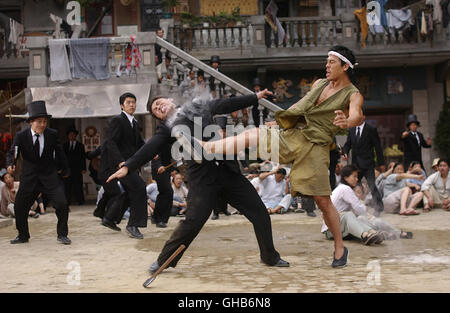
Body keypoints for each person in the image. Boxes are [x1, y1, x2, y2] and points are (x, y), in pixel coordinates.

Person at [193, 45, 365, 267]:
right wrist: (282, 120)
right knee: (255, 133)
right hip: (294, 135)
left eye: (332, 62)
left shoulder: (353, 94)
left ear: (345, 66)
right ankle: (208, 148)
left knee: (323, 201)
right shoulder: (319, 84)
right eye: (326, 61)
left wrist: (347, 122)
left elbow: (357, 115)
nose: (327, 65)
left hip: (316, 147)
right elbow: (300, 106)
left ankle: (340, 247)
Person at [107, 88, 289, 275]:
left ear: (170, 100)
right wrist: (128, 166)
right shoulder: (167, 128)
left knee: (259, 212)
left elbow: (225, 104)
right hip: (203, 180)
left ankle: (269, 256)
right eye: (155, 109)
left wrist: (255, 97)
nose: (159, 106)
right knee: (192, 222)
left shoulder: (197, 106)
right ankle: (164, 261)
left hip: (228, 173)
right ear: (159, 117)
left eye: (160, 102)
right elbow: (149, 148)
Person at [6, 100, 71, 244]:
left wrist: (65, 169)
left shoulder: (52, 134)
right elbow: (12, 153)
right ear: (31, 122)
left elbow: (60, 153)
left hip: (49, 176)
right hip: (30, 178)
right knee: (19, 207)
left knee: (61, 203)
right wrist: (10, 165)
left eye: (44, 121)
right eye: (39, 121)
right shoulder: (21, 136)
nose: (42, 124)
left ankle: (62, 234)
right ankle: (23, 235)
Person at [103, 92, 147, 239]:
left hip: (132, 164)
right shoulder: (117, 120)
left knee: (130, 192)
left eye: (133, 102)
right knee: (140, 187)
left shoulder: (135, 122)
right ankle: (133, 224)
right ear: (122, 105)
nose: (132, 105)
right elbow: (111, 142)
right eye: (128, 102)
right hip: (121, 165)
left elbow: (140, 143)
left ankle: (109, 218)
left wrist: (152, 151)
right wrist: (120, 161)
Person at [322, 165, 384, 245]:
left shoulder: (341, 188)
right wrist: (367, 213)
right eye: (354, 176)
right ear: (345, 178)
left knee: (355, 218)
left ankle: (373, 232)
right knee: (350, 215)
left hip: (337, 227)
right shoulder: (345, 189)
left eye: (357, 177)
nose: (357, 179)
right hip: (331, 230)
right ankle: (365, 236)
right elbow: (358, 208)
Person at [343, 117, 385, 216]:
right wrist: (345, 152)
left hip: (368, 163)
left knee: (371, 184)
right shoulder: (352, 129)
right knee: (355, 185)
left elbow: (378, 147)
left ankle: (379, 207)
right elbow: (347, 144)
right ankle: (354, 206)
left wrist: (381, 163)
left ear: (363, 117)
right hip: (355, 164)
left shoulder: (371, 129)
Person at [63, 127, 86, 205]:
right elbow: (62, 157)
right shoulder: (64, 145)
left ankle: (81, 201)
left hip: (77, 168)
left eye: (73, 135)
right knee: (67, 186)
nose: (72, 136)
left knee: (78, 185)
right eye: (70, 135)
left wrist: (83, 168)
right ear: (68, 136)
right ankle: (67, 201)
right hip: (68, 169)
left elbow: (83, 157)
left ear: (75, 136)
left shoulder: (80, 146)